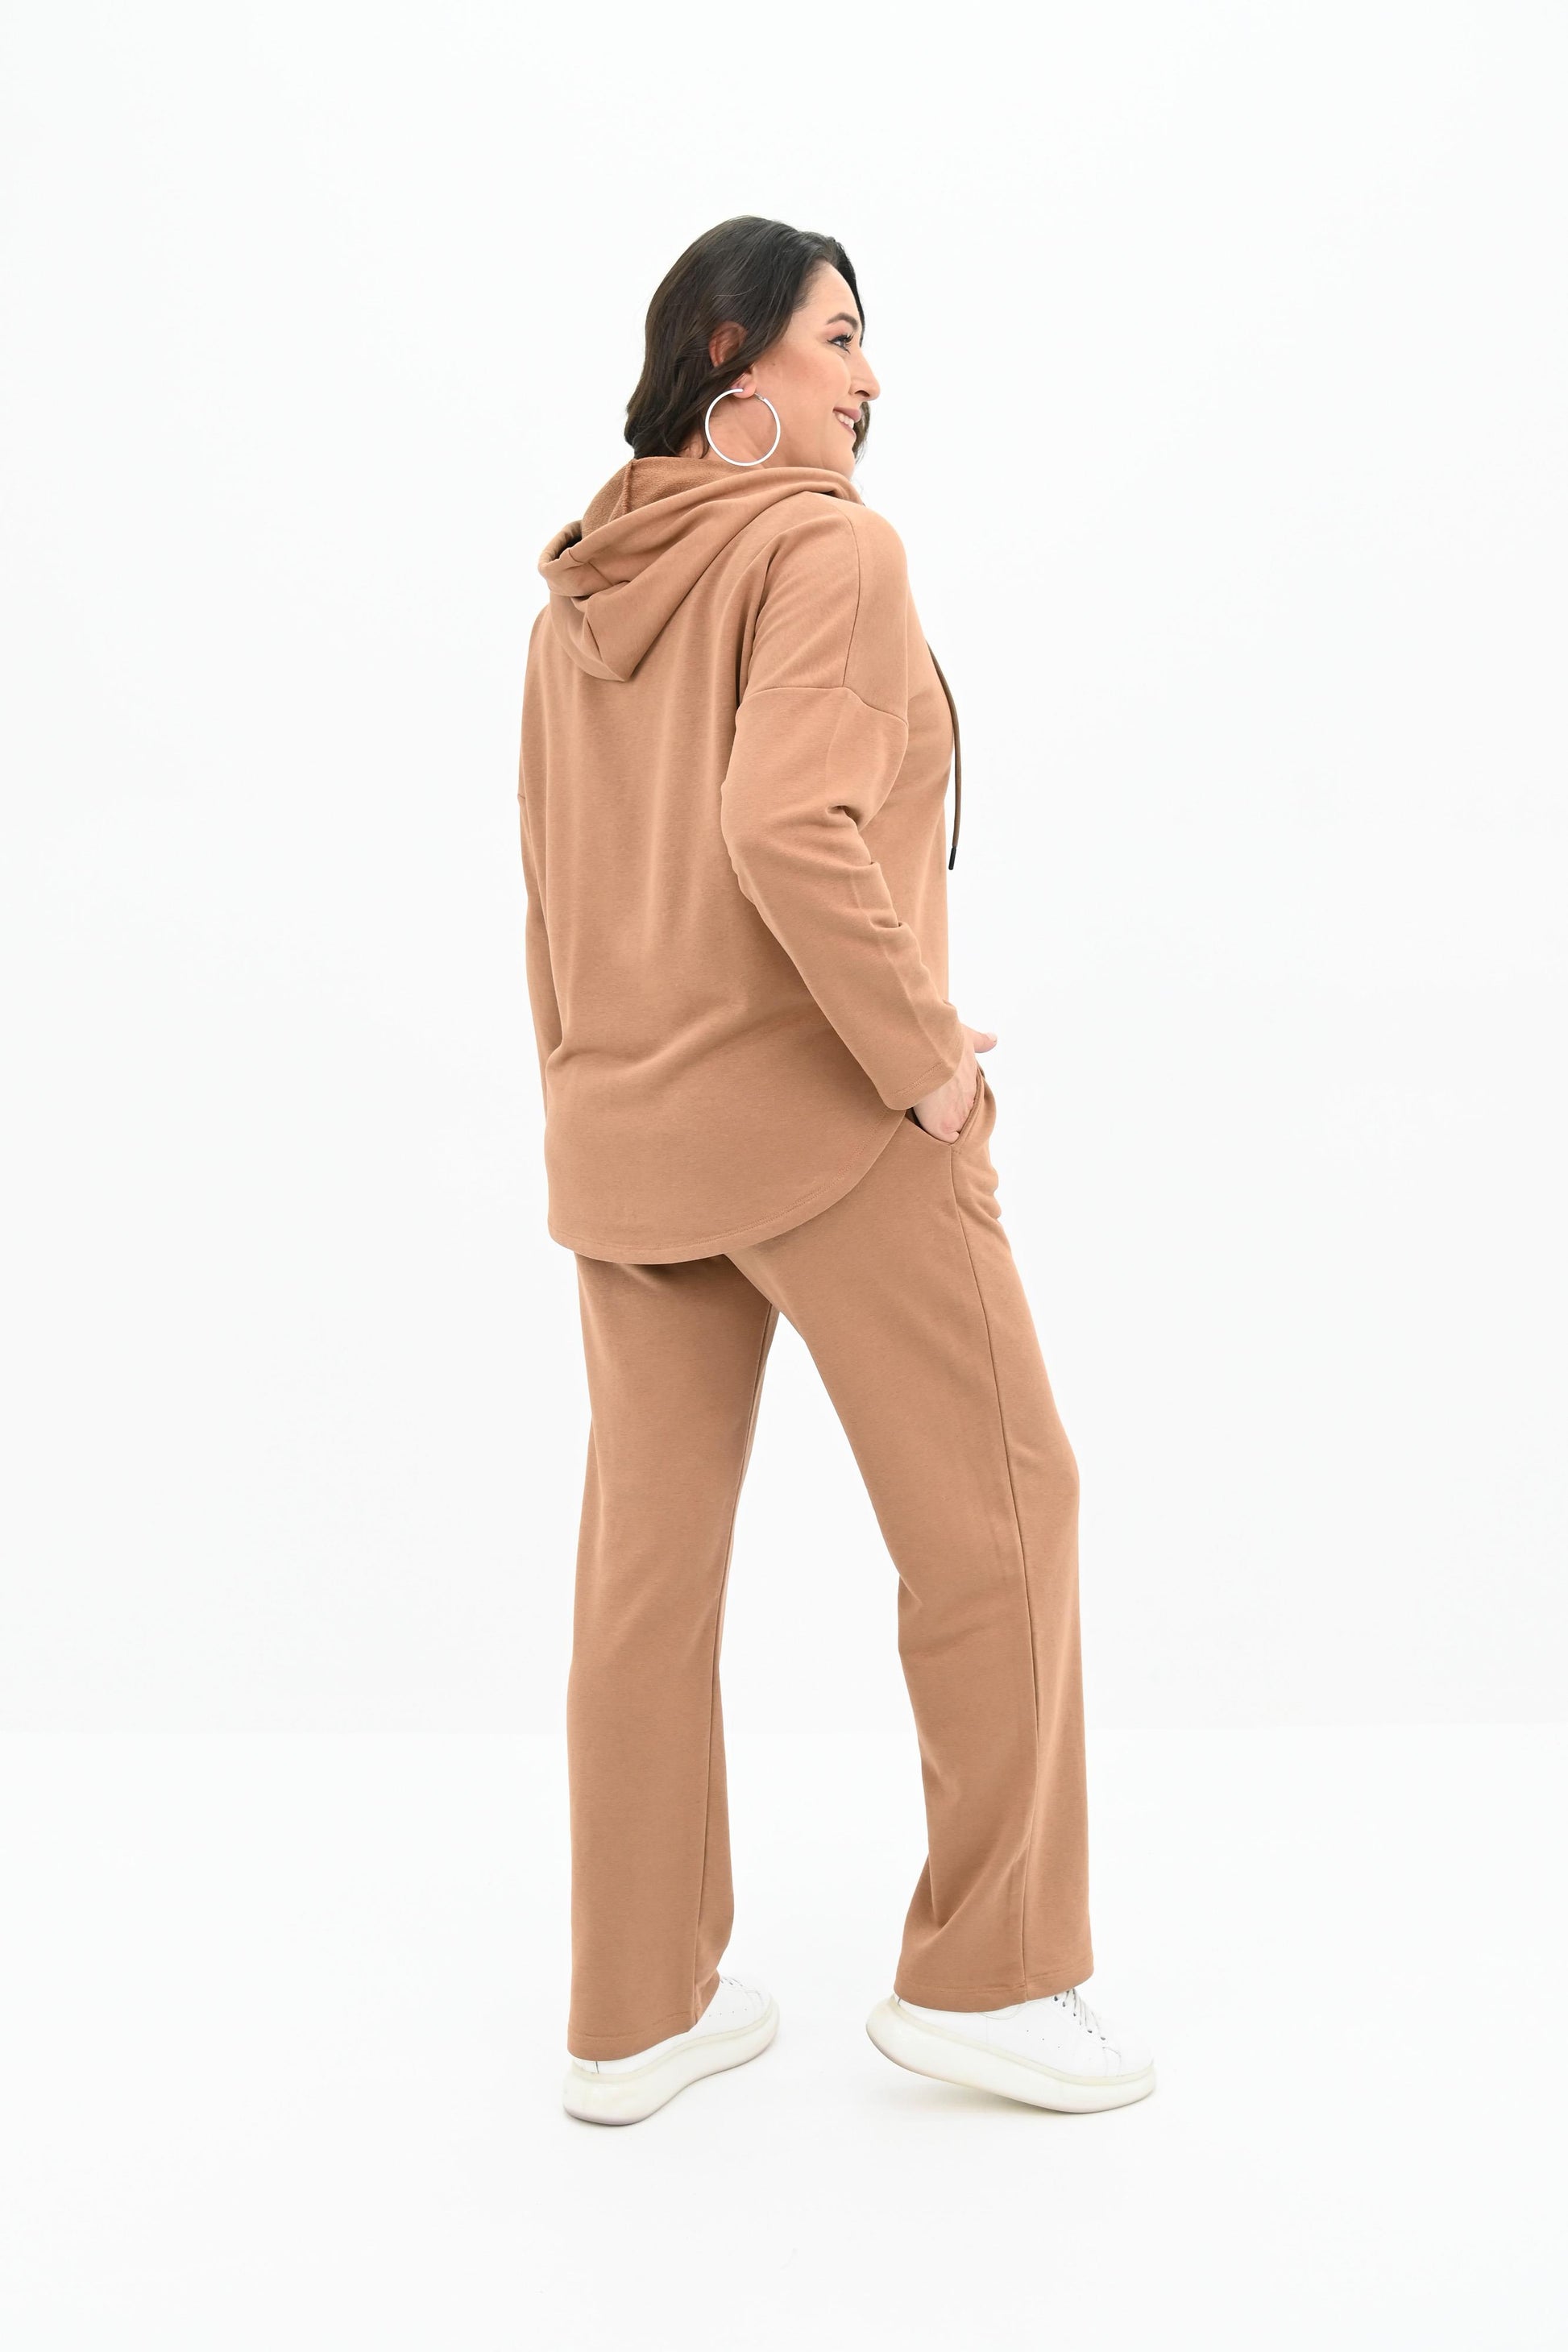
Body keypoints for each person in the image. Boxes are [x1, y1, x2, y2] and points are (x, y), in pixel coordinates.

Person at [517, 215, 1154, 2127]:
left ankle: (632, 2012)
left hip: (628, 1138)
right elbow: (789, 827)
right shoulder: (829, 550)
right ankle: (995, 1974)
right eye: (840, 337)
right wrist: (923, 1064)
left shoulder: (578, 599)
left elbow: (558, 890)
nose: (870, 379)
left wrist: (584, 1094)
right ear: (735, 360)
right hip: (826, 1121)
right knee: (1007, 1511)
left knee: (643, 1583)